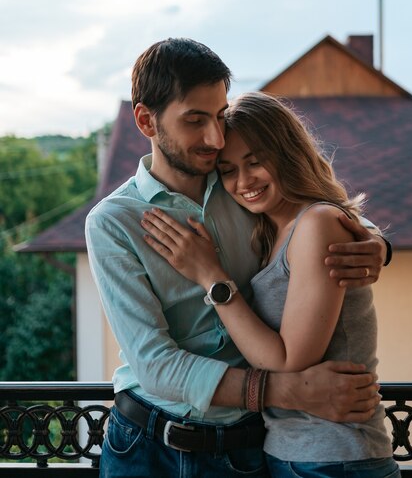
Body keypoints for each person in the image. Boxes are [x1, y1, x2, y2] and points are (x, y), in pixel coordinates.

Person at [85, 38, 390, 478]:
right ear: (146, 120)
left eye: (220, 116)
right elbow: (156, 366)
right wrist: (291, 392)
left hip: (248, 450)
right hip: (148, 448)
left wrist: (374, 243)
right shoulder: (113, 223)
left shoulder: (239, 189)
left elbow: (311, 214)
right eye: (195, 120)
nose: (215, 138)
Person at [141, 90, 400, 478]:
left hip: (335, 457)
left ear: (287, 153)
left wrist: (212, 278)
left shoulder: (315, 224)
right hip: (292, 454)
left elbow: (288, 361)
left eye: (256, 162)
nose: (244, 181)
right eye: (228, 170)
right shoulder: (267, 227)